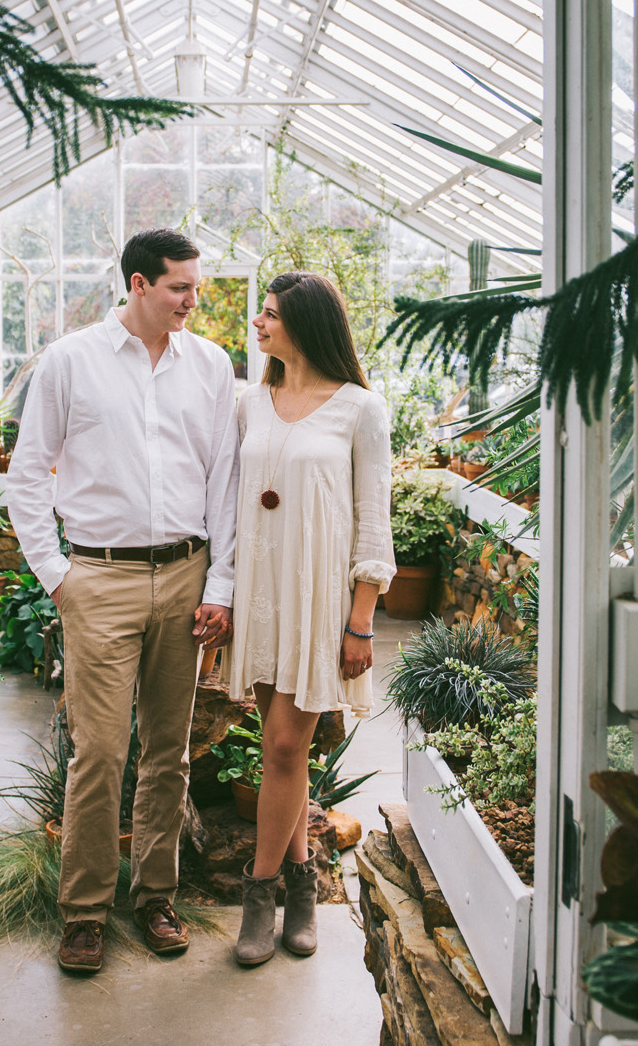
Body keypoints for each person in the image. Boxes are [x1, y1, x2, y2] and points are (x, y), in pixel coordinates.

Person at [7, 228, 240, 976]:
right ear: (139, 284)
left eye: (194, 287)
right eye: (180, 287)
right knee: (100, 751)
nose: (192, 301)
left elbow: (224, 484)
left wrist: (222, 585)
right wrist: (57, 576)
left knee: (169, 752)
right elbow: (25, 476)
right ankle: (83, 912)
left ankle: (156, 899)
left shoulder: (210, 365)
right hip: (97, 580)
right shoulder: (70, 362)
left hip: (185, 575)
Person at [224, 270, 394, 967]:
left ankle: (258, 897)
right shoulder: (249, 402)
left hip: (320, 603)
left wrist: (361, 620)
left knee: (287, 749)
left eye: (269, 315)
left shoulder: (360, 409)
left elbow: (372, 520)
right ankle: (303, 886)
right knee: (277, 750)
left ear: (306, 323)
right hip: (262, 597)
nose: (258, 324)